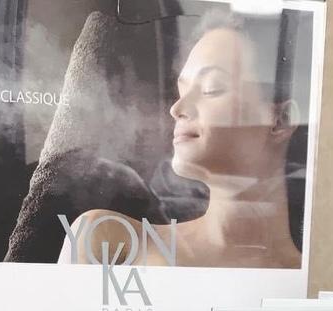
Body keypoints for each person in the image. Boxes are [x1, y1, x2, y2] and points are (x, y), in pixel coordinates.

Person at [59, 13, 302, 269]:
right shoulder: (105, 238)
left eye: (212, 88)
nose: (177, 108)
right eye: (182, 91)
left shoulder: (311, 274)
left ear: (280, 120)